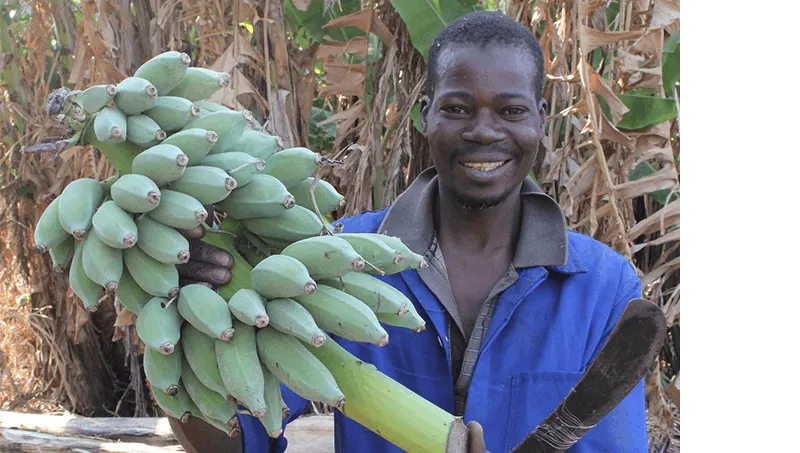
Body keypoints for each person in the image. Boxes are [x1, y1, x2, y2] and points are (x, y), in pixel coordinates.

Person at [168, 10, 648, 453]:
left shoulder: (603, 290)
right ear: (425, 116)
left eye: (511, 111)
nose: (484, 131)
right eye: (458, 108)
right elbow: (238, 441)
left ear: (542, 118)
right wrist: (183, 327)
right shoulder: (335, 263)